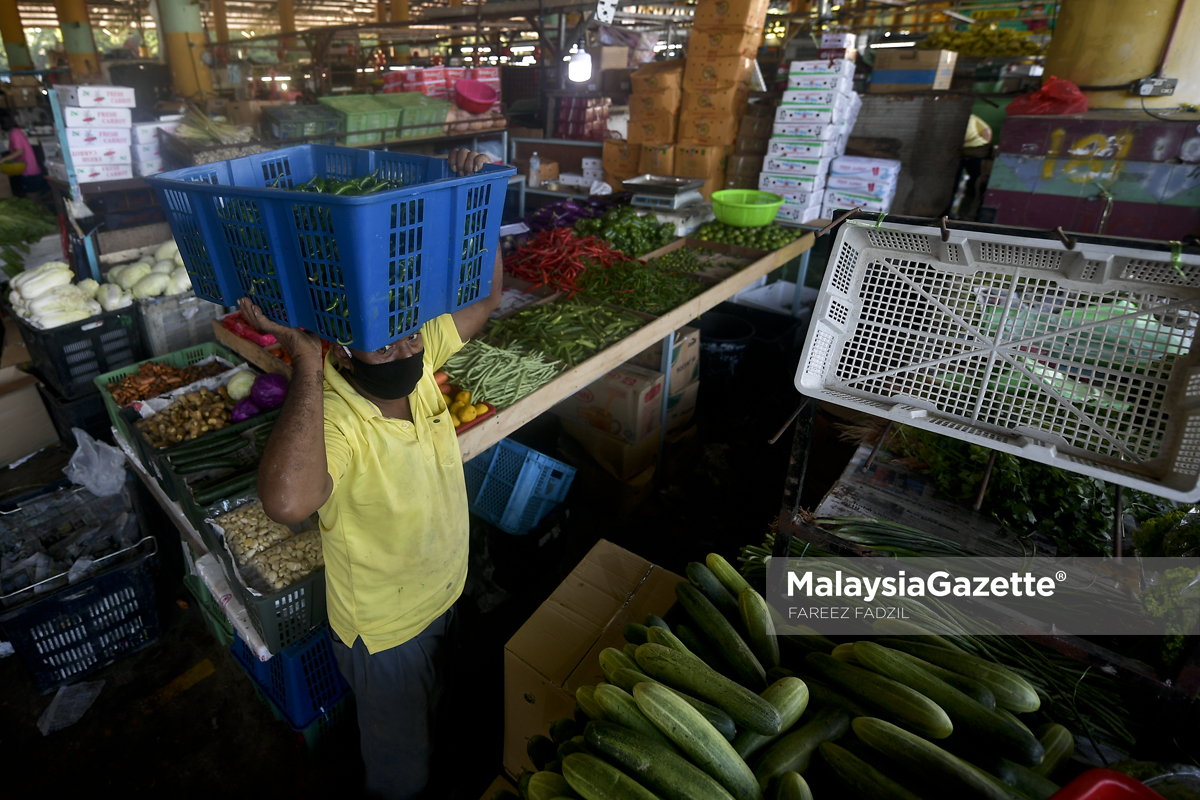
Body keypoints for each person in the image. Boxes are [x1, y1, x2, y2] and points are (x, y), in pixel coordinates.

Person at [239, 148, 500, 800]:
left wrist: (479, 204)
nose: (407, 349)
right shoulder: (334, 414)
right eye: (384, 343)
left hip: (444, 592)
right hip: (385, 632)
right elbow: (287, 502)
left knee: (439, 720)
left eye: (408, 334)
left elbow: (487, 296)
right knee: (401, 772)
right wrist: (302, 357)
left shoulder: (418, 348)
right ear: (341, 351)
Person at [0, 111, 43, 197]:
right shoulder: (14, 132)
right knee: (35, 199)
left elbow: (19, 151)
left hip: (29, 171)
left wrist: (2, 160)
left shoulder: (15, 134)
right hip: (28, 170)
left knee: (33, 199)